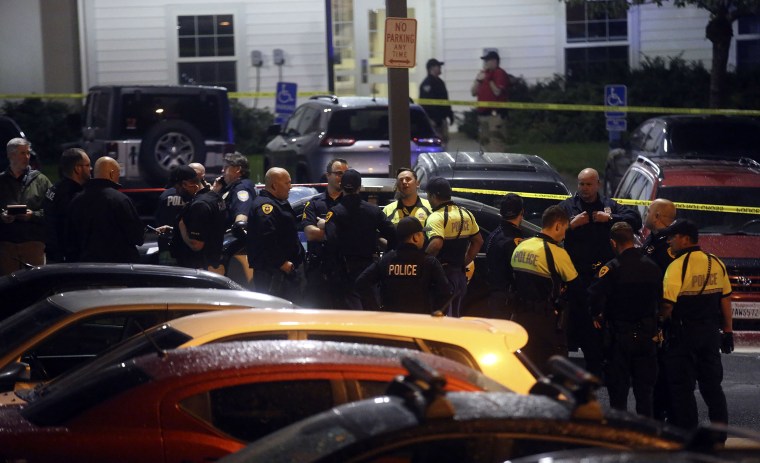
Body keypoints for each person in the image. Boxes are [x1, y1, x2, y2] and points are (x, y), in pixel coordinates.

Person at [558, 167, 642, 376]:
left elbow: (635, 219)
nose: (584, 188)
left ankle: (602, 365)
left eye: (588, 184)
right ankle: (578, 368)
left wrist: (610, 220)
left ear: (597, 185)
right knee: (578, 321)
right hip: (577, 276)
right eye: (581, 184)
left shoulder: (608, 206)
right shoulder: (568, 206)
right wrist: (571, 225)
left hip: (605, 276)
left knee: (603, 321)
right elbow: (551, 228)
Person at [659, 219, 733, 434]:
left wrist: (660, 324)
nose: (670, 242)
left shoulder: (676, 267)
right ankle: (720, 437)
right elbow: (725, 300)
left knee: (683, 389)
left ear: (684, 239)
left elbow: (667, 306)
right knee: (712, 388)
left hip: (683, 335)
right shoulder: (716, 262)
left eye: (672, 237)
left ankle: (688, 436)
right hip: (710, 334)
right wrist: (728, 332)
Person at [588, 222, 662, 417]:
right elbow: (661, 298)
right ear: (633, 239)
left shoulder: (611, 269)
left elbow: (594, 297)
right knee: (645, 394)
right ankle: (646, 439)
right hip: (647, 335)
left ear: (613, 243)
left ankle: (620, 439)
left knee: (618, 394)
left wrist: (597, 315)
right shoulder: (652, 267)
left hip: (619, 337)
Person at [511, 205, 582, 374]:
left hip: (519, 317)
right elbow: (577, 288)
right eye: (565, 228)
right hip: (546, 320)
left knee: (525, 366)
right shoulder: (556, 253)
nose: (565, 234)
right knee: (552, 366)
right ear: (557, 225)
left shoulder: (521, 247)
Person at [324, 169, 396, 310]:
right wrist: (385, 260)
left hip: (344, 270)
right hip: (370, 268)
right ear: (359, 187)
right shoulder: (373, 211)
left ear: (342, 186)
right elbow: (392, 234)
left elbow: (330, 242)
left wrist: (332, 270)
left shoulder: (335, 213)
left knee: (348, 314)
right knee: (371, 310)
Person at [356, 216, 451, 314]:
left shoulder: (386, 260)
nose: (424, 237)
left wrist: (374, 310)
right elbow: (445, 291)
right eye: (421, 234)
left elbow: (361, 283)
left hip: (391, 321)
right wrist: (436, 314)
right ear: (415, 237)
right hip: (420, 321)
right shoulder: (429, 262)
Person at [64, 156, 144, 263]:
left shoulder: (76, 201)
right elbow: (137, 237)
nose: (118, 178)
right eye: (118, 175)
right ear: (111, 173)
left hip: (86, 268)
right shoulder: (121, 200)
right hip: (119, 270)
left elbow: (70, 239)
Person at [424, 177, 483, 317]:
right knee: (456, 317)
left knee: (441, 319)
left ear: (433, 196)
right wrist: (466, 260)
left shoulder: (436, 217)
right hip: (460, 276)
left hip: (442, 276)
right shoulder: (466, 214)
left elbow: (436, 244)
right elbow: (478, 241)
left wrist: (423, 260)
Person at [641, 197, 677, 422]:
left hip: (661, 321)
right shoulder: (657, 241)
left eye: (648, 211)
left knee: (661, 375)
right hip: (658, 318)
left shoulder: (664, 247)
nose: (645, 214)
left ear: (656, 216)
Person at [247, 167, 304, 299]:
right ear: (274, 185)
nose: (290, 187)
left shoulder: (278, 203)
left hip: (282, 272)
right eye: (287, 183)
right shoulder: (266, 207)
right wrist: (281, 263)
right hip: (273, 274)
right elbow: (267, 238)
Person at [157, 165, 226, 270]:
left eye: (177, 188)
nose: (177, 192)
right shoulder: (214, 197)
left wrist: (182, 227)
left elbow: (196, 244)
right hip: (210, 265)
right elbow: (207, 230)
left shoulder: (199, 205)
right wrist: (173, 229)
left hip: (198, 269)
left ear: (185, 184)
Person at [0, 138, 52, 274]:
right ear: (11, 155)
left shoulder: (41, 180)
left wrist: (32, 216)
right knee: (9, 289)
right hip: (7, 246)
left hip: (33, 244)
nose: (27, 157)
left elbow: (53, 211)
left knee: (35, 287)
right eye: (23, 153)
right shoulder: (1, 181)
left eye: (28, 153)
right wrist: (3, 216)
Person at [301, 158, 348, 308]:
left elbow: (355, 232)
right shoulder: (314, 204)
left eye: (345, 174)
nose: (343, 177)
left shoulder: (351, 203)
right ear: (328, 175)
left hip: (345, 268)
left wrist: (325, 227)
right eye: (339, 173)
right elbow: (310, 233)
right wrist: (339, 232)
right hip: (318, 268)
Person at [212, 153, 258, 284]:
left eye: (226, 167)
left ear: (237, 169)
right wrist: (215, 192)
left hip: (230, 248)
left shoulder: (241, 188)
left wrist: (225, 248)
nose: (222, 171)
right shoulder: (229, 188)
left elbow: (241, 221)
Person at [43, 148, 91, 263]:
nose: (91, 169)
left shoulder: (55, 189)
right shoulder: (73, 195)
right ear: (78, 169)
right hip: (68, 259)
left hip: (54, 255)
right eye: (88, 165)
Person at [484, 193, 526, 319]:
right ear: (522, 212)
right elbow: (518, 273)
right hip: (506, 298)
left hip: (493, 294)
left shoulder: (493, 235)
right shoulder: (514, 240)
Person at [470, 50, 509, 152]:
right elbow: (473, 92)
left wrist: (490, 80)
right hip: (483, 114)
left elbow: (497, 92)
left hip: (495, 116)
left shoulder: (499, 73)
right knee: (485, 143)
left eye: (487, 60)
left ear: (494, 61)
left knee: (496, 142)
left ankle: (499, 165)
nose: (485, 63)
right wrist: (479, 80)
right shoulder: (483, 74)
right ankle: (488, 166)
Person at [419, 58, 454, 146]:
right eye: (438, 66)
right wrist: (432, 120)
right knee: (435, 145)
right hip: (433, 122)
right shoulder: (426, 84)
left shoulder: (440, 82)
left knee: (444, 144)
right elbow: (425, 104)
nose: (440, 68)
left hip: (442, 120)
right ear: (432, 68)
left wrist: (450, 114)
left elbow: (445, 100)